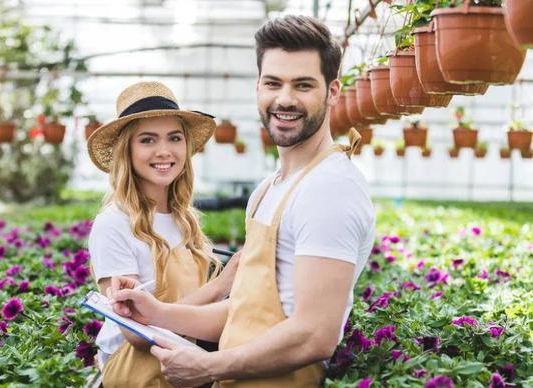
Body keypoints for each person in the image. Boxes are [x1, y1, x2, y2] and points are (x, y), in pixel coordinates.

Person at [108, 15, 376, 387]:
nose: (284, 99)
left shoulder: (329, 188)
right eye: (273, 83)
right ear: (258, 88)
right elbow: (244, 310)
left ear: (332, 92)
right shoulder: (269, 189)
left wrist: (208, 367)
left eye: (303, 85)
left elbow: (315, 334)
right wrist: (160, 312)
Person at [86, 81, 240, 387]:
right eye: (147, 140)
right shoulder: (114, 224)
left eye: (174, 138)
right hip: (139, 375)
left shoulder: (185, 220)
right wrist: (220, 286)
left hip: (187, 368)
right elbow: (136, 334)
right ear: (126, 150)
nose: (164, 151)